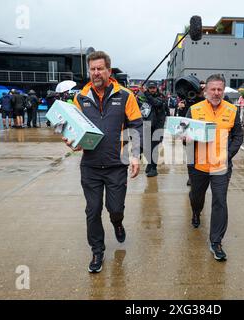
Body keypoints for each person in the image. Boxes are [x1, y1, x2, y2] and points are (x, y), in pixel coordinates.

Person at [65, 50, 143, 273]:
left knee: (115, 208)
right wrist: (72, 141)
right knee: (93, 210)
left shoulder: (126, 95)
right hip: (90, 166)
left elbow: (137, 125)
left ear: (109, 70)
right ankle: (97, 251)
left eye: (100, 68)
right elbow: (75, 128)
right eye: (92, 69)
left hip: (116, 165)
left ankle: (117, 222)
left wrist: (136, 154)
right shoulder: (80, 97)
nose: (96, 73)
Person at [185, 74, 243, 261]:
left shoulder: (233, 110)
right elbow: (182, 134)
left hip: (221, 166)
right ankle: (195, 211)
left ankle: (216, 242)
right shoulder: (193, 110)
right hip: (198, 165)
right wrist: (186, 139)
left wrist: (227, 155)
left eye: (220, 89)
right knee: (196, 196)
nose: (216, 93)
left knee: (220, 201)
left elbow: (238, 136)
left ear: (223, 90)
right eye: (213, 89)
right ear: (206, 90)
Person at [138, 80, 167, 177]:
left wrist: (145, 92)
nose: (152, 90)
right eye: (150, 88)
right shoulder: (144, 97)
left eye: (153, 88)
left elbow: (155, 103)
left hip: (158, 127)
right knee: (147, 148)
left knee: (153, 148)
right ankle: (150, 164)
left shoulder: (161, 97)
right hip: (147, 126)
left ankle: (153, 168)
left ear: (156, 88)